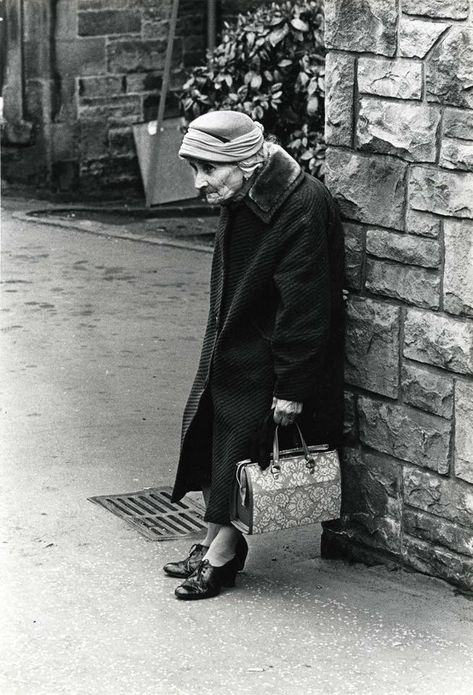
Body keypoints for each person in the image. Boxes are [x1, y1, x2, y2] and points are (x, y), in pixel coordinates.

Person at [164, 110, 344, 600]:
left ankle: (222, 556)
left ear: (245, 161)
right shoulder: (242, 194)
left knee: (239, 452)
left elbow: (306, 303)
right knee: (211, 442)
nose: (200, 183)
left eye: (209, 170)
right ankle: (213, 541)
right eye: (195, 169)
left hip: (266, 357)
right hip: (231, 346)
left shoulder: (301, 204)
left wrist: (291, 386)